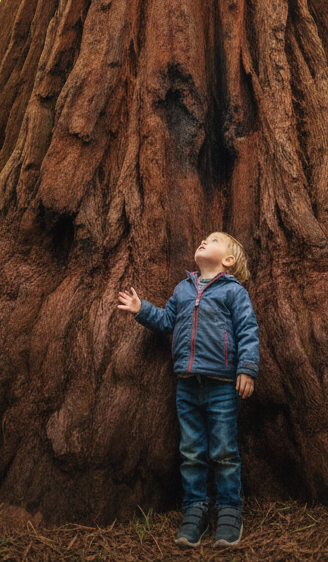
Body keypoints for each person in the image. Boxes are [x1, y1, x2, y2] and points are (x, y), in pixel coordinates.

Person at [117, 231, 259, 549]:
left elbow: (248, 329)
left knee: (224, 452)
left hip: (223, 385)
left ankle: (229, 512)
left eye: (214, 240)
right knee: (191, 453)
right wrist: (142, 309)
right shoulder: (184, 288)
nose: (204, 241)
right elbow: (168, 321)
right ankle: (195, 510)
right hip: (186, 386)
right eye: (204, 239)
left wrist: (247, 369)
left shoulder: (233, 292)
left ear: (228, 260)